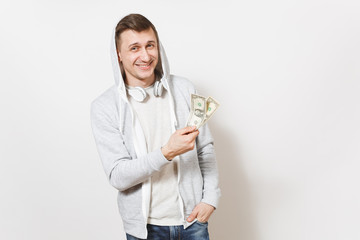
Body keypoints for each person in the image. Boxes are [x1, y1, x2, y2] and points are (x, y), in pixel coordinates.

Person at [90, 13, 220, 240]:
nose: (145, 55)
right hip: (145, 230)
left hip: (193, 223)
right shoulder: (105, 107)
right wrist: (166, 152)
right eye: (134, 48)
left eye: (150, 45)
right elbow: (118, 176)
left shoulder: (184, 88)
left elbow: (205, 149)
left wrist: (210, 198)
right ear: (119, 54)